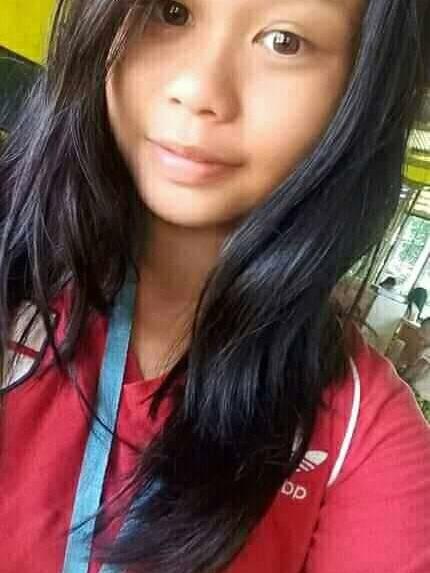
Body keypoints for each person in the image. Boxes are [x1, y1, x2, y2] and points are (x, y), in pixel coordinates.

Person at [0, 1, 429, 572]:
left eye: (285, 41)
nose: (200, 90)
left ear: (359, 91)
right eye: (171, 11)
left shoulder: (360, 432)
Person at [401, 318, 430, 402]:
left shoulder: (428, 351)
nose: (419, 332)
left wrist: (401, 379)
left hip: (418, 394)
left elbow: (416, 369)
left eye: (424, 331)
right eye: (420, 328)